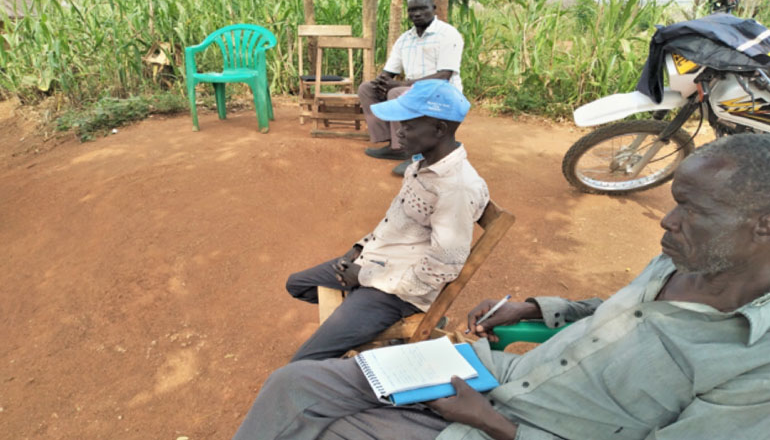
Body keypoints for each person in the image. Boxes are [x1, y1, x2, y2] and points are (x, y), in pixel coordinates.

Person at [233, 133, 770, 439]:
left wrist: (489, 422)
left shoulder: (756, 368)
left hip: (518, 426)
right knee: (294, 386)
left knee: (325, 431)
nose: (666, 221)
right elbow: (623, 313)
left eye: (693, 208)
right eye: (673, 201)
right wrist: (539, 306)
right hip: (503, 372)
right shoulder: (686, 258)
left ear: (762, 224)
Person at [285, 79, 489, 363]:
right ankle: (358, 312)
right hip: (376, 263)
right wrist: (359, 249)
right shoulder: (422, 165)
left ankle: (365, 324)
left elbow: (442, 268)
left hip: (398, 292)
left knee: (302, 364)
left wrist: (365, 279)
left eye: (407, 126)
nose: (399, 133)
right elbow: (394, 221)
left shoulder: (456, 187)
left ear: (439, 129)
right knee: (298, 284)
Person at [359, 0, 464, 177]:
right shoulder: (405, 39)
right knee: (367, 89)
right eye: (412, 10)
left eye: (422, 8)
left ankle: (412, 153)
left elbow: (444, 75)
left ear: (433, 8)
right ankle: (394, 146)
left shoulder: (447, 34)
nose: (416, 13)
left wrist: (401, 85)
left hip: (444, 92)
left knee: (397, 93)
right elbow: (390, 70)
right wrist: (381, 81)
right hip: (413, 89)